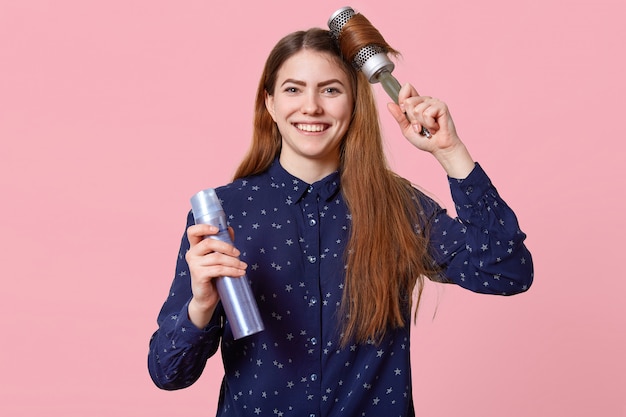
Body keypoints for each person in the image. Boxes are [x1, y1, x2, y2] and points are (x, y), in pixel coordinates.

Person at [148, 28, 533, 417]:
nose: (311, 107)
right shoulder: (225, 213)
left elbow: (507, 272)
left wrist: (451, 154)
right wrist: (201, 304)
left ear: (353, 102)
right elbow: (168, 372)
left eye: (330, 90)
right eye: (293, 90)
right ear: (270, 103)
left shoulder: (397, 206)